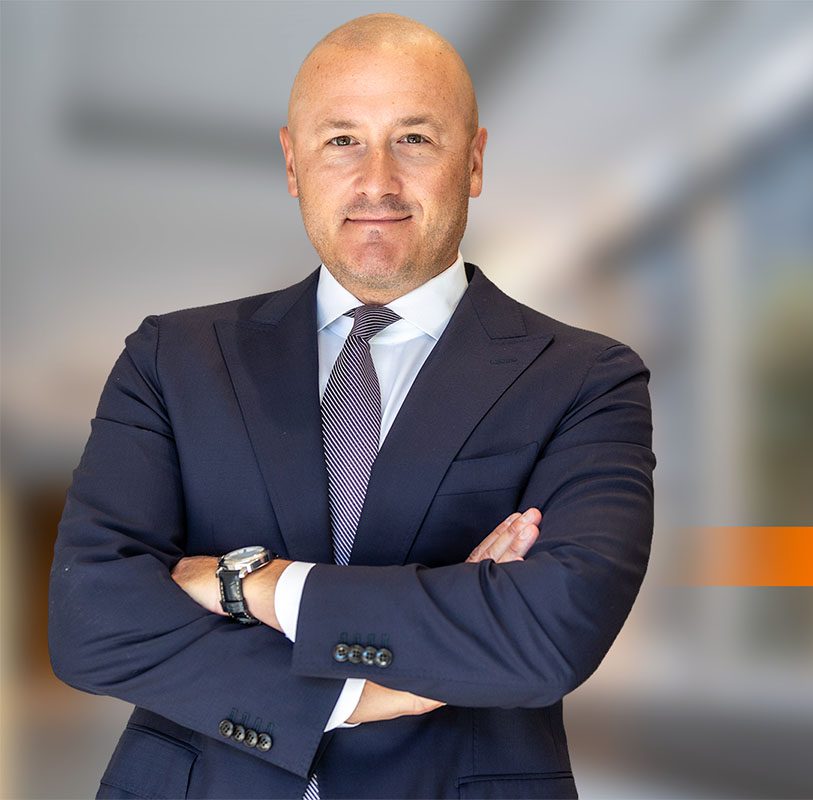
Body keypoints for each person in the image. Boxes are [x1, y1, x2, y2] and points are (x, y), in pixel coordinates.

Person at [47, 13, 654, 800]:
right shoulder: (172, 358)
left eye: (414, 139)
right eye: (341, 140)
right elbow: (89, 617)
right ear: (292, 163)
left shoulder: (584, 378)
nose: (377, 181)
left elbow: (548, 633)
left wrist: (252, 586)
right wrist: (360, 694)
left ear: (473, 162)